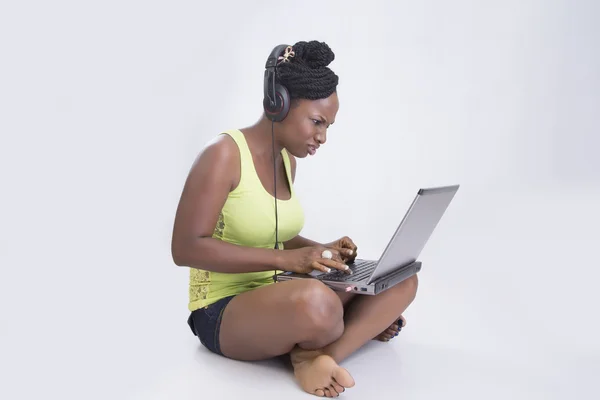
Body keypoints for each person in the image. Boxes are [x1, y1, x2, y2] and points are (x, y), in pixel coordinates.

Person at [171, 40, 419, 398]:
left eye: (329, 126)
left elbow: (271, 235)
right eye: (317, 122)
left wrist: (319, 250)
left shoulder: (288, 161)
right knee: (319, 303)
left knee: (399, 281)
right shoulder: (223, 155)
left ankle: (317, 357)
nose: (323, 137)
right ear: (279, 104)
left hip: (281, 294)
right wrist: (287, 260)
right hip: (221, 311)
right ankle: (347, 333)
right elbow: (186, 248)